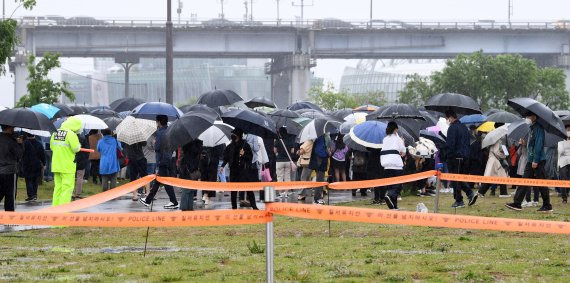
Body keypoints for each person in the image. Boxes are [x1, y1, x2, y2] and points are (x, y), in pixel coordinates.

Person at [506, 112, 553, 212]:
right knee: (524, 181)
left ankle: (547, 205)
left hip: (538, 160)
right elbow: (531, 145)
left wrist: (535, 160)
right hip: (530, 160)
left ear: (534, 117)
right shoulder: (531, 128)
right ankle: (517, 203)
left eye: (528, 116)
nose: (526, 118)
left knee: (541, 183)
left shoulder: (539, 128)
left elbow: (538, 145)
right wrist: (525, 143)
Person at [140, 115, 179, 209]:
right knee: (159, 180)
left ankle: (173, 201)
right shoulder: (170, 131)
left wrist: (155, 143)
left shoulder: (160, 133)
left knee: (164, 181)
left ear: (159, 122)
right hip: (168, 158)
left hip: (162, 159)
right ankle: (148, 200)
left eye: (156, 122)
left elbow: (157, 148)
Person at [220, 128, 258, 210]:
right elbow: (226, 157)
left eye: (235, 134)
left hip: (243, 171)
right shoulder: (230, 146)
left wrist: (244, 154)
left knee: (248, 189)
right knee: (233, 190)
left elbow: (250, 158)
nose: (233, 136)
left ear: (239, 135)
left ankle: (254, 206)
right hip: (233, 171)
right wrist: (222, 166)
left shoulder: (245, 145)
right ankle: (234, 207)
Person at [445, 109, 475, 208]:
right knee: (460, 178)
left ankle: (461, 198)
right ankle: (467, 195)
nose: (447, 120)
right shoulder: (464, 127)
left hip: (455, 157)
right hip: (466, 156)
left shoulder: (452, 128)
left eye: (447, 118)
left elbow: (450, 145)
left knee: (456, 179)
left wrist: (448, 157)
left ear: (450, 118)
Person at [50, 117, 82, 206]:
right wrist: (79, 145)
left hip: (56, 164)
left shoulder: (55, 132)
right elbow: (76, 149)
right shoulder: (71, 134)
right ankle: (63, 209)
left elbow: (52, 147)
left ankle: (55, 207)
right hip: (67, 165)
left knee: (58, 188)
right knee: (67, 188)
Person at [470, 136, 509, 206]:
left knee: (491, 178)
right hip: (496, 161)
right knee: (501, 177)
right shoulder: (499, 142)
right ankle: (503, 193)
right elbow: (498, 152)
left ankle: (481, 192)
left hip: (492, 161)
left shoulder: (492, 141)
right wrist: (504, 156)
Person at [381, 122, 407, 210]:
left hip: (386, 166)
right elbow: (403, 151)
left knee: (391, 186)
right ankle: (389, 195)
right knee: (398, 186)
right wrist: (402, 141)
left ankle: (394, 206)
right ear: (396, 129)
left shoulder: (385, 139)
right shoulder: (398, 139)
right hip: (396, 165)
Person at [299, 134, 329, 205]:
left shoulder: (315, 136)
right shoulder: (323, 136)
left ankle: (317, 197)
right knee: (319, 180)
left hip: (315, 159)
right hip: (320, 159)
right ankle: (317, 199)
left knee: (316, 179)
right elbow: (323, 151)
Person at [0, 125, 24, 211]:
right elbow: (19, 154)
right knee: (10, 195)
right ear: (10, 128)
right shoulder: (12, 140)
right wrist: (20, 144)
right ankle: (9, 217)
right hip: (10, 171)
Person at [179, 139, 205, 211]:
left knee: (186, 190)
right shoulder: (198, 144)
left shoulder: (188, 145)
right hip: (194, 170)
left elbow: (186, 158)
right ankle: (189, 207)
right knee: (191, 190)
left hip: (188, 170)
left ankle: (184, 207)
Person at [22, 133, 45, 202]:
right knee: (35, 180)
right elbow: (42, 154)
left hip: (27, 163)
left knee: (28, 180)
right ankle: (34, 194)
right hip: (37, 164)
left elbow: (21, 153)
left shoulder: (24, 143)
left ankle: (31, 195)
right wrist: (44, 163)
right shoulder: (39, 143)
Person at [275, 127, 295, 198]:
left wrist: (278, 153)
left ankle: (280, 193)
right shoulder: (290, 140)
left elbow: (275, 151)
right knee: (287, 177)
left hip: (279, 161)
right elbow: (292, 151)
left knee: (279, 177)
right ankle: (286, 193)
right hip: (288, 161)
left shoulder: (277, 141)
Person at [73, 133, 90, 199]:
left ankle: (70, 191)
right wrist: (85, 158)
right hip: (82, 160)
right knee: (80, 177)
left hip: (72, 159)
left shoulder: (71, 139)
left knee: (71, 177)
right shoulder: (83, 139)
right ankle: (78, 193)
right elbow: (87, 150)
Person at [557, 126, 570, 204]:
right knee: (568, 179)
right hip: (566, 162)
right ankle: (566, 194)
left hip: (563, 162)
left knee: (563, 180)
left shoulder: (560, 142)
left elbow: (560, 151)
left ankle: (564, 198)